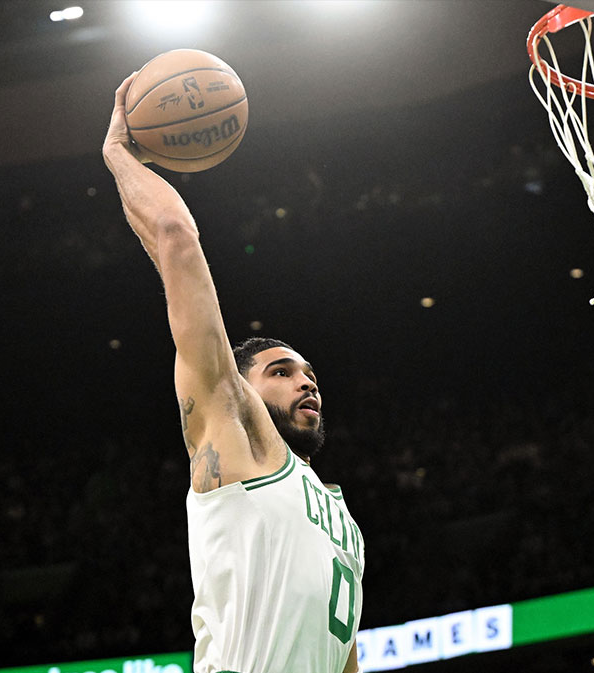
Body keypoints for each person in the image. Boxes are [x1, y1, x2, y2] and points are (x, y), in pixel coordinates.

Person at [102, 71, 364, 673]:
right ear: (239, 387)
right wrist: (119, 157)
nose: (307, 383)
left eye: (310, 375)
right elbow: (175, 239)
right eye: (281, 371)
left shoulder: (342, 520)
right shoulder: (233, 433)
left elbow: (342, 659)